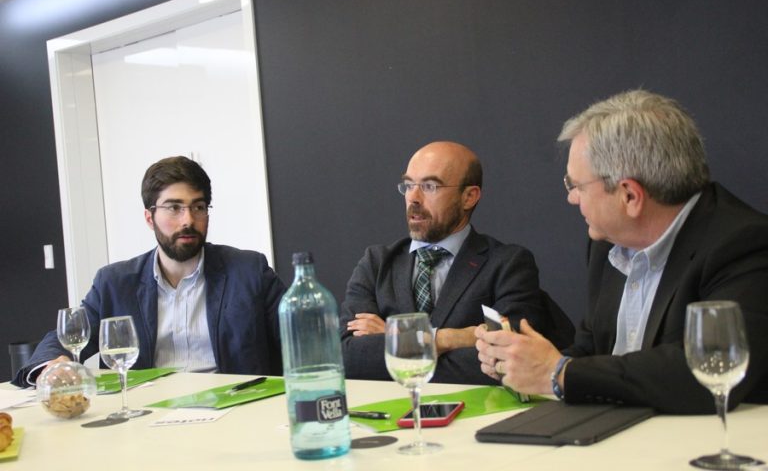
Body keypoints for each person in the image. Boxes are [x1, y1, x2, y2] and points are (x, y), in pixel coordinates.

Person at [476, 90, 768, 413]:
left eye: (576, 186)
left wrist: (560, 373)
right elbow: (594, 349)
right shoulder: (607, 245)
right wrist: (525, 361)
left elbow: (708, 369)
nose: (571, 199)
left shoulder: (745, 244)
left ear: (629, 195)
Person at [13, 156, 285, 387]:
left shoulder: (248, 272)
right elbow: (65, 340)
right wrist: (53, 365)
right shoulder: (115, 283)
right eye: (174, 208)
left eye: (198, 207)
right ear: (149, 217)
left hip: (237, 414)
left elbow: (301, 335)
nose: (188, 220)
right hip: (146, 418)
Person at [341, 141, 574, 384]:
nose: (414, 198)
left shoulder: (508, 264)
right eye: (409, 185)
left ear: (469, 196)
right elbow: (349, 358)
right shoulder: (376, 263)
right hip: (389, 416)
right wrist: (451, 338)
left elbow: (508, 361)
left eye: (430, 186)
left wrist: (400, 340)